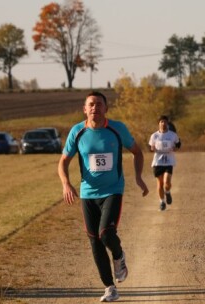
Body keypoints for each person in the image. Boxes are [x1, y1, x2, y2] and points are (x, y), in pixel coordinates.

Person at [58, 91, 149, 302]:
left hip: (113, 190)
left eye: (99, 104)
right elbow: (63, 161)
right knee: (94, 242)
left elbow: (137, 152)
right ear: (84, 109)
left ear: (106, 108)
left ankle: (119, 256)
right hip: (87, 193)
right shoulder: (77, 132)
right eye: (91, 104)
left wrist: (138, 177)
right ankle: (109, 287)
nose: (94, 108)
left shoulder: (118, 129)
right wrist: (66, 183)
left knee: (106, 234)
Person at [148, 115, 181, 211]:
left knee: (167, 182)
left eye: (165, 122)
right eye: (161, 122)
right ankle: (162, 202)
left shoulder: (173, 135)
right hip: (158, 161)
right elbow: (150, 147)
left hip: (169, 160)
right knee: (160, 183)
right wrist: (152, 149)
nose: (163, 123)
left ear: (167, 123)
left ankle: (167, 191)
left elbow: (178, 144)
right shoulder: (154, 136)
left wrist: (176, 148)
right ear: (158, 123)